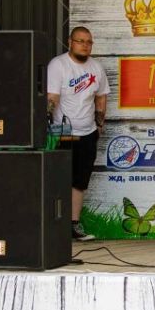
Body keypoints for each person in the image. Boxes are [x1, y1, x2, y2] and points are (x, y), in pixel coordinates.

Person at [47, 26, 110, 241]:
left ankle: (73, 225)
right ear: (70, 42)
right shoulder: (58, 65)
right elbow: (52, 98)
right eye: (80, 41)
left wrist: (99, 124)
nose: (85, 45)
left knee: (80, 181)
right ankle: (54, 226)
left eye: (89, 42)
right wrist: (48, 125)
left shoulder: (96, 67)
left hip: (88, 131)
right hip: (62, 130)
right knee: (58, 179)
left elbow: (101, 96)